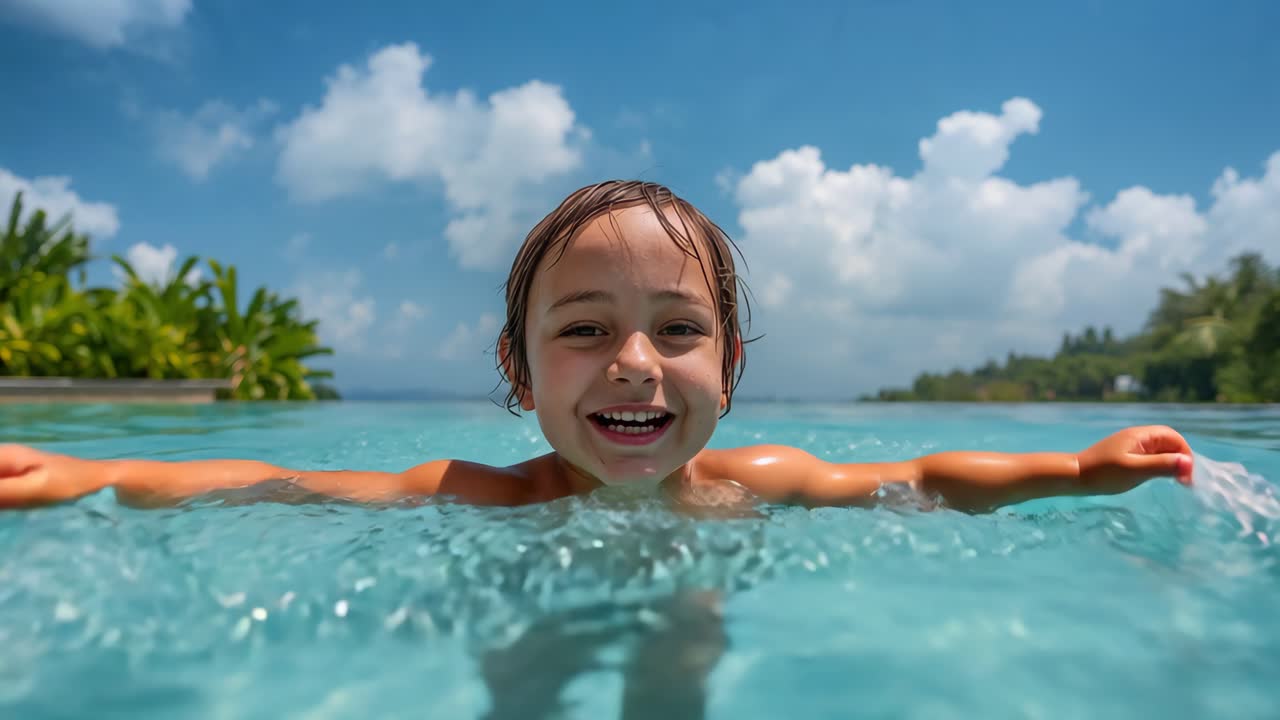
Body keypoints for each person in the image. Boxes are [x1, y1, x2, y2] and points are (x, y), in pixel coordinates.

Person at [0, 180, 1195, 513]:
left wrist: (1081, 472)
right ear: (519, 377)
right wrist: (85, 473)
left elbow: (929, 478)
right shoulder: (484, 493)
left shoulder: (753, 483)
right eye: (584, 331)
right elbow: (270, 476)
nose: (635, 360)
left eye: (678, 330)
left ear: (728, 370)